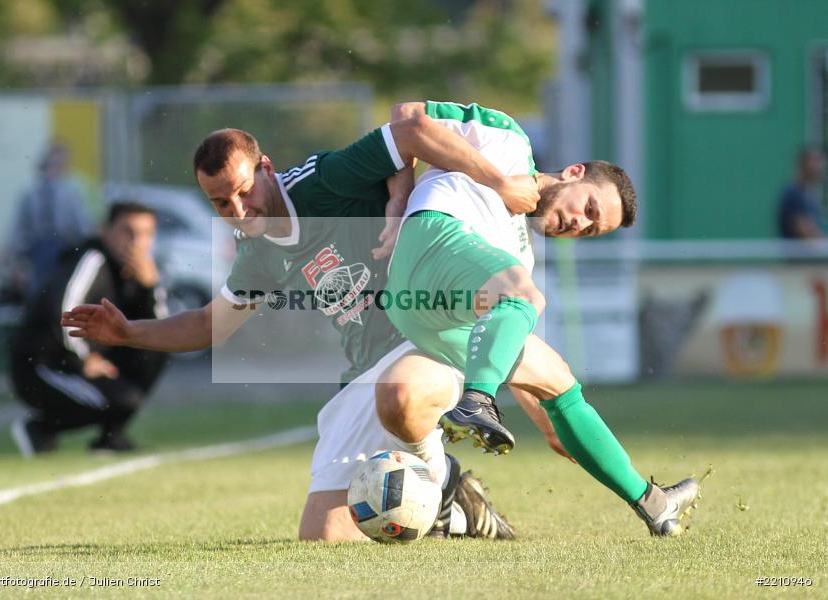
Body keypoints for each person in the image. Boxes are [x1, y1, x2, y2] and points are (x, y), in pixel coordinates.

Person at [62, 110, 544, 541]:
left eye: (244, 190)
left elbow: (413, 130)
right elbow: (212, 325)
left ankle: (442, 486)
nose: (238, 210)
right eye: (221, 203)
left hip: (424, 339)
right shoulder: (258, 255)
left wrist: (494, 185)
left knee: (402, 396)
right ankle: (455, 505)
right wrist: (129, 332)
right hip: (365, 370)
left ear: (266, 167)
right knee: (325, 536)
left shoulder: (324, 180)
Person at [380, 101, 699, 537]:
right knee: (525, 296)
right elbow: (407, 117)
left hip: (432, 318)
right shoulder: (507, 138)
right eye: (588, 208)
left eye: (590, 230)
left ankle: (651, 503)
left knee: (560, 385)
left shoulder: (519, 256)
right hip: (433, 241)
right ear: (572, 172)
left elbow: (501, 341)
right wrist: (407, 194)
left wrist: (548, 423)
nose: (579, 224)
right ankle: (475, 403)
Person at [9, 202, 169, 456]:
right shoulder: (92, 259)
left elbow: (160, 332)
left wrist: (150, 288)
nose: (137, 242)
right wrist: (82, 360)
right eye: (128, 232)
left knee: (156, 354)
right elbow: (62, 312)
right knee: (121, 400)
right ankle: (40, 428)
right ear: (106, 232)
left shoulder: (142, 273)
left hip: (86, 363)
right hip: (42, 365)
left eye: (146, 234)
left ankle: (110, 437)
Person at [7, 142, 93, 297]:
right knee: (38, 288)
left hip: (63, 246)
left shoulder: (70, 193)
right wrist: (15, 257)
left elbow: (81, 224)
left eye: (58, 165)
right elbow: (20, 227)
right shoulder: (30, 194)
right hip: (38, 248)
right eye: (50, 165)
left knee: (61, 288)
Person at [777, 146, 826, 239]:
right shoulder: (793, 194)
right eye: (816, 160)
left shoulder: (811, 194)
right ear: (802, 164)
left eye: (821, 160)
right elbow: (808, 233)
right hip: (796, 253)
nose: (821, 165)